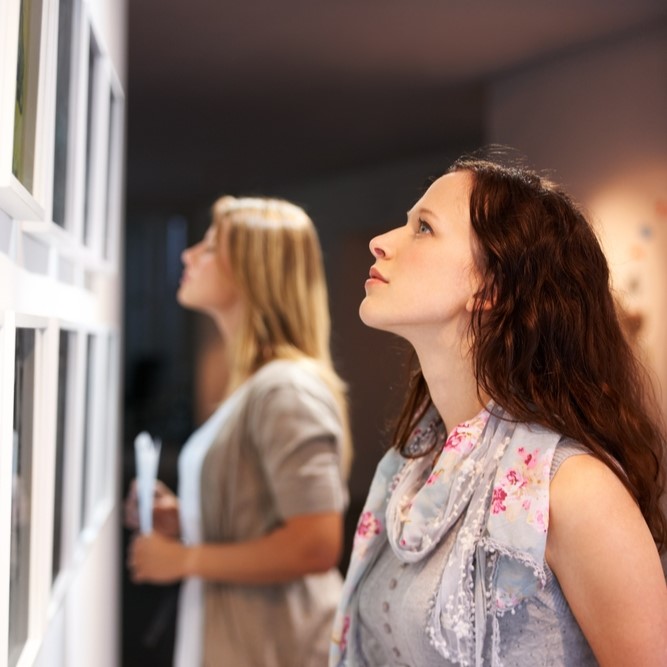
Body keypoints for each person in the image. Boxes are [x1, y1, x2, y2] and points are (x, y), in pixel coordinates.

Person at [331, 149, 667, 666]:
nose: (381, 242)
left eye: (424, 228)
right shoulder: (412, 467)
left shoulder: (571, 489)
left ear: (490, 286)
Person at [125, 196, 352, 667]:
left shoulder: (286, 388)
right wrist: (190, 519)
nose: (188, 255)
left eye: (209, 247)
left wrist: (185, 559)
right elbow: (264, 517)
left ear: (253, 270)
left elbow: (315, 543)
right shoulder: (256, 386)